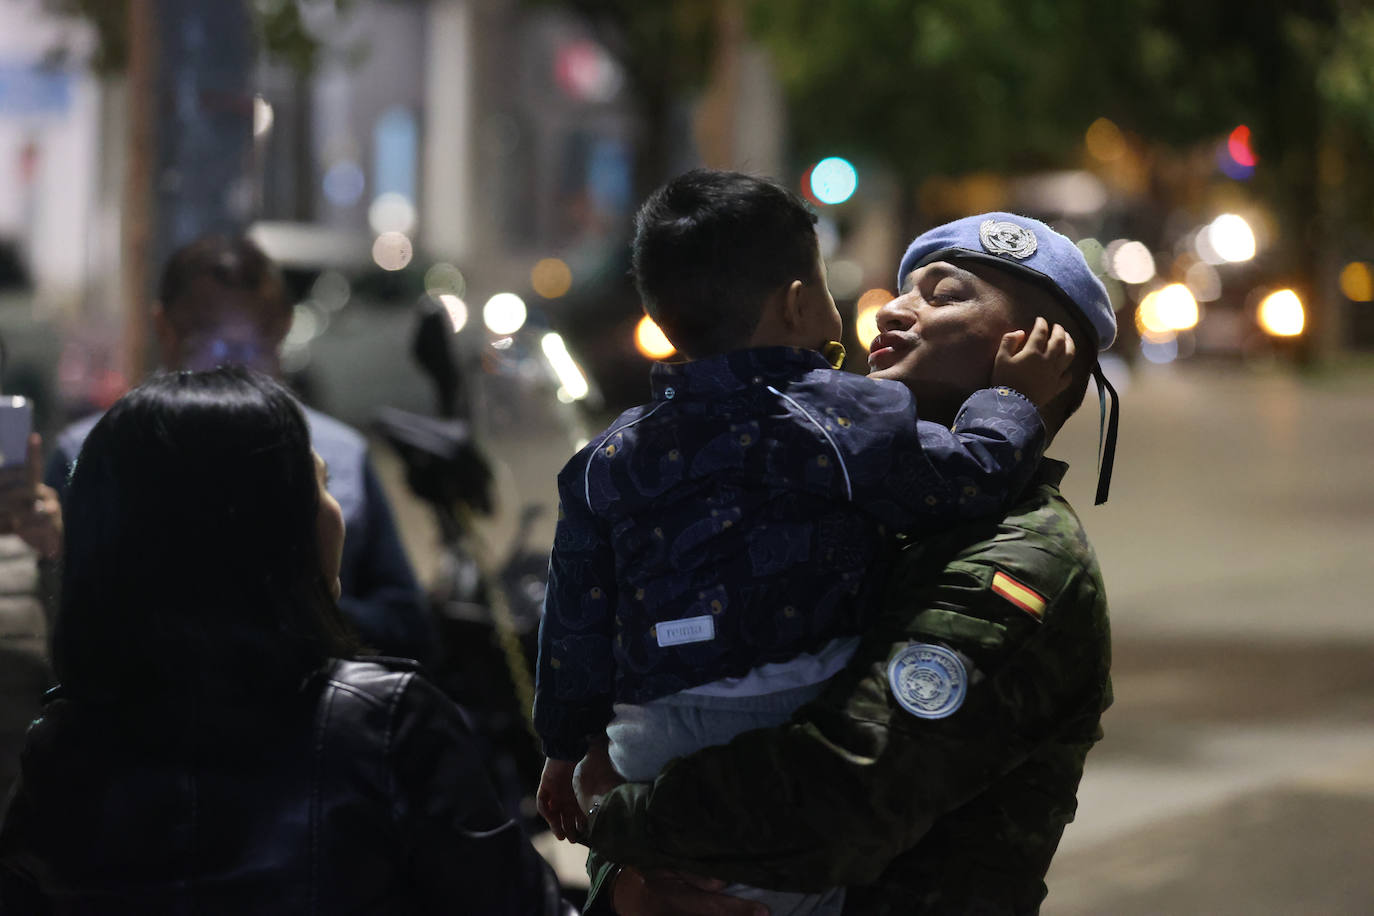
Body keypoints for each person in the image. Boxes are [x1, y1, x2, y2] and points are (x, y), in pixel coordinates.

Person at [534, 171, 1076, 912]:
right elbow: (976, 470)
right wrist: (1009, 407)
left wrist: (587, 778)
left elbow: (836, 799)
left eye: (943, 294)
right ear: (797, 303)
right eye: (900, 288)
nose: (892, 313)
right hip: (763, 721)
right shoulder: (852, 432)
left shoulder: (1017, 553)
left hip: (650, 731)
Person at [0, 367, 569, 914]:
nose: (335, 511)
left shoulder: (59, 750)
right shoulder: (385, 724)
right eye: (318, 484)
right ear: (265, 527)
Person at [42, 235, 433, 662]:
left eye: (254, 343)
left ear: (283, 327)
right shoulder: (92, 453)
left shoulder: (341, 453)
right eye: (208, 340)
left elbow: (406, 625)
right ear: (164, 329)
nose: (231, 366)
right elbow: (66, 625)